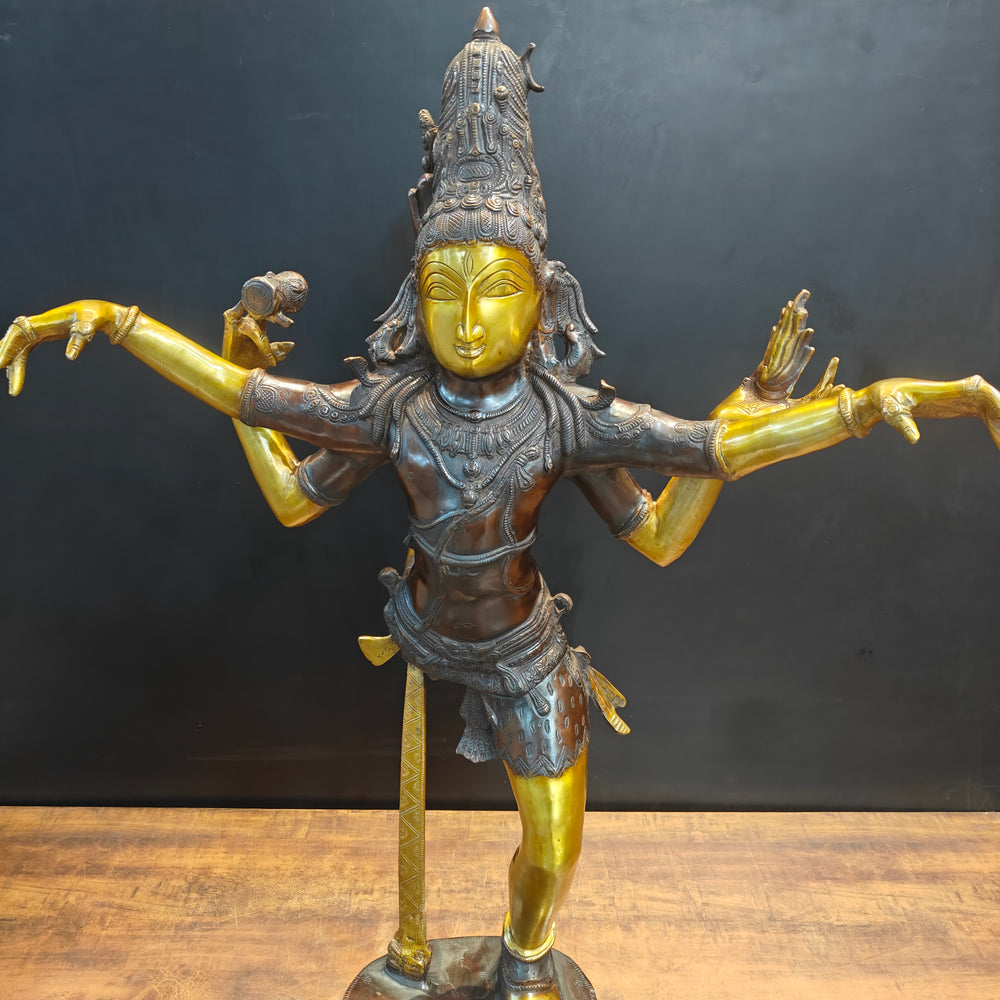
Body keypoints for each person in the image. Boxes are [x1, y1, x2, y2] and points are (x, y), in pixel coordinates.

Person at [2, 9, 998, 1000]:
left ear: (542, 299)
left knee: (555, 846)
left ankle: (525, 954)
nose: (470, 320)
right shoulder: (391, 407)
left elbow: (690, 485)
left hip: (526, 648)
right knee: (299, 481)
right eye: (445, 289)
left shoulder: (566, 415)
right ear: (416, 298)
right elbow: (249, 408)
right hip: (421, 625)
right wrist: (118, 322)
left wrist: (850, 408)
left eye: (496, 290)